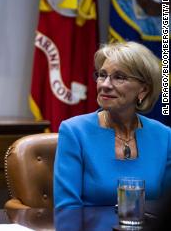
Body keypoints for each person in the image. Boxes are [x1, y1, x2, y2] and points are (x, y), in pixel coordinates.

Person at [54, 41, 171, 208]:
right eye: (102, 75)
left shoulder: (164, 136)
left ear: (143, 90)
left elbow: (166, 209)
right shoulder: (74, 131)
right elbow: (67, 209)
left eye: (119, 77)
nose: (105, 85)